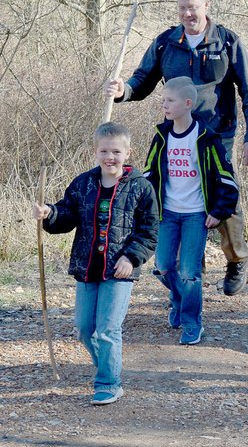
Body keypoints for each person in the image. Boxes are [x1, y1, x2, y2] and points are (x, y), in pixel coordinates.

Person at [104, 0, 248, 296]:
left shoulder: (227, 42)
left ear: (207, 6)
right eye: (182, 8)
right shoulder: (166, 43)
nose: (188, 13)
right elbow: (142, 80)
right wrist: (124, 91)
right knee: (175, 195)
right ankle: (191, 269)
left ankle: (236, 259)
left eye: (193, 7)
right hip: (175, 135)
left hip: (215, 135)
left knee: (223, 196)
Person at [32, 122, 158, 405]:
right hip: (87, 268)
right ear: (95, 152)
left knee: (108, 329)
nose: (109, 157)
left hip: (119, 270)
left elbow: (149, 231)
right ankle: (108, 366)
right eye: (104, 151)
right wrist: (49, 212)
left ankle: (109, 383)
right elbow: (66, 215)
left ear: (128, 153)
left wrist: (131, 257)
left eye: (116, 151)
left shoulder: (141, 188)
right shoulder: (83, 183)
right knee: (85, 329)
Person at [143, 77, 239, 345]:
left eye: (170, 100)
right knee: (163, 266)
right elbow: (150, 174)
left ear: (187, 103)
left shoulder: (207, 138)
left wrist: (220, 211)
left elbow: (227, 179)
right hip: (168, 214)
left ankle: (191, 322)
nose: (165, 104)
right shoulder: (162, 136)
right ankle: (180, 300)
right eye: (163, 100)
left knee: (189, 272)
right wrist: (147, 207)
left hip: (197, 214)